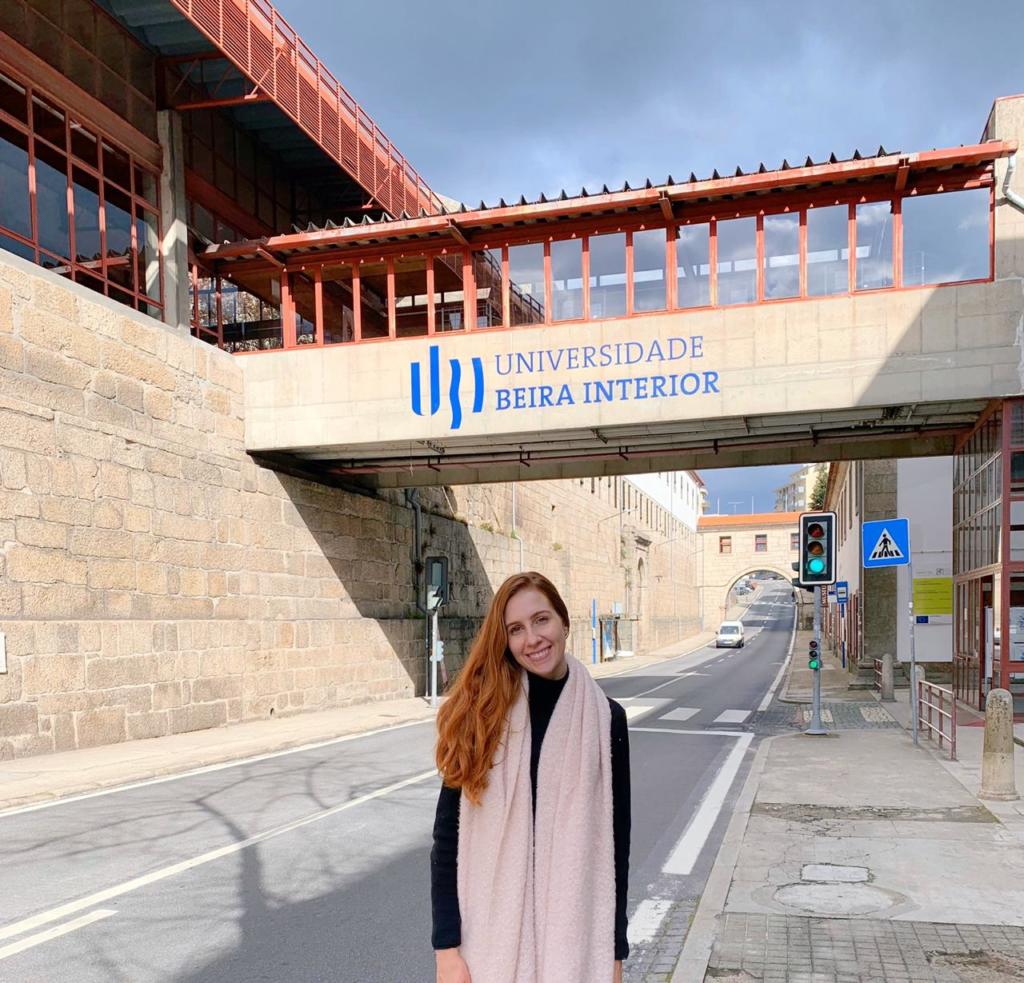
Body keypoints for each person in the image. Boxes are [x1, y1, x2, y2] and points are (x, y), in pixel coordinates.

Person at [431, 571, 630, 983]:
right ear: (504, 641)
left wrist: (615, 952)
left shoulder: (606, 718)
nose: (532, 639)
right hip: (486, 941)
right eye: (516, 629)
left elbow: (616, 843)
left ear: (564, 621)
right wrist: (446, 949)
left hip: (577, 937)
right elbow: (447, 838)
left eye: (541, 620)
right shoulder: (481, 713)